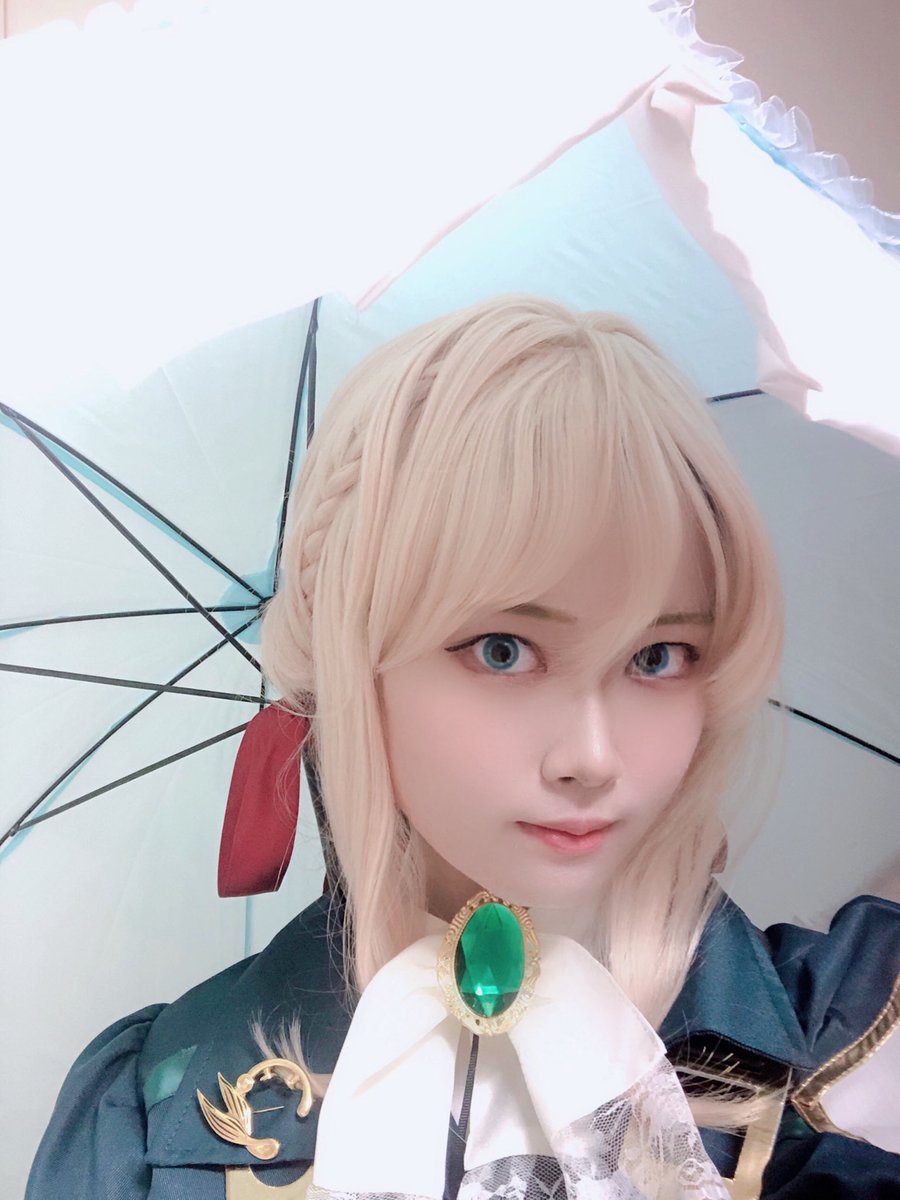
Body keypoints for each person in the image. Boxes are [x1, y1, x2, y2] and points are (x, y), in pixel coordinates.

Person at [27, 297, 900, 1198]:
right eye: (503, 650)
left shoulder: (854, 1043)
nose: (592, 756)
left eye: (658, 656)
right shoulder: (154, 1115)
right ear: (352, 672)